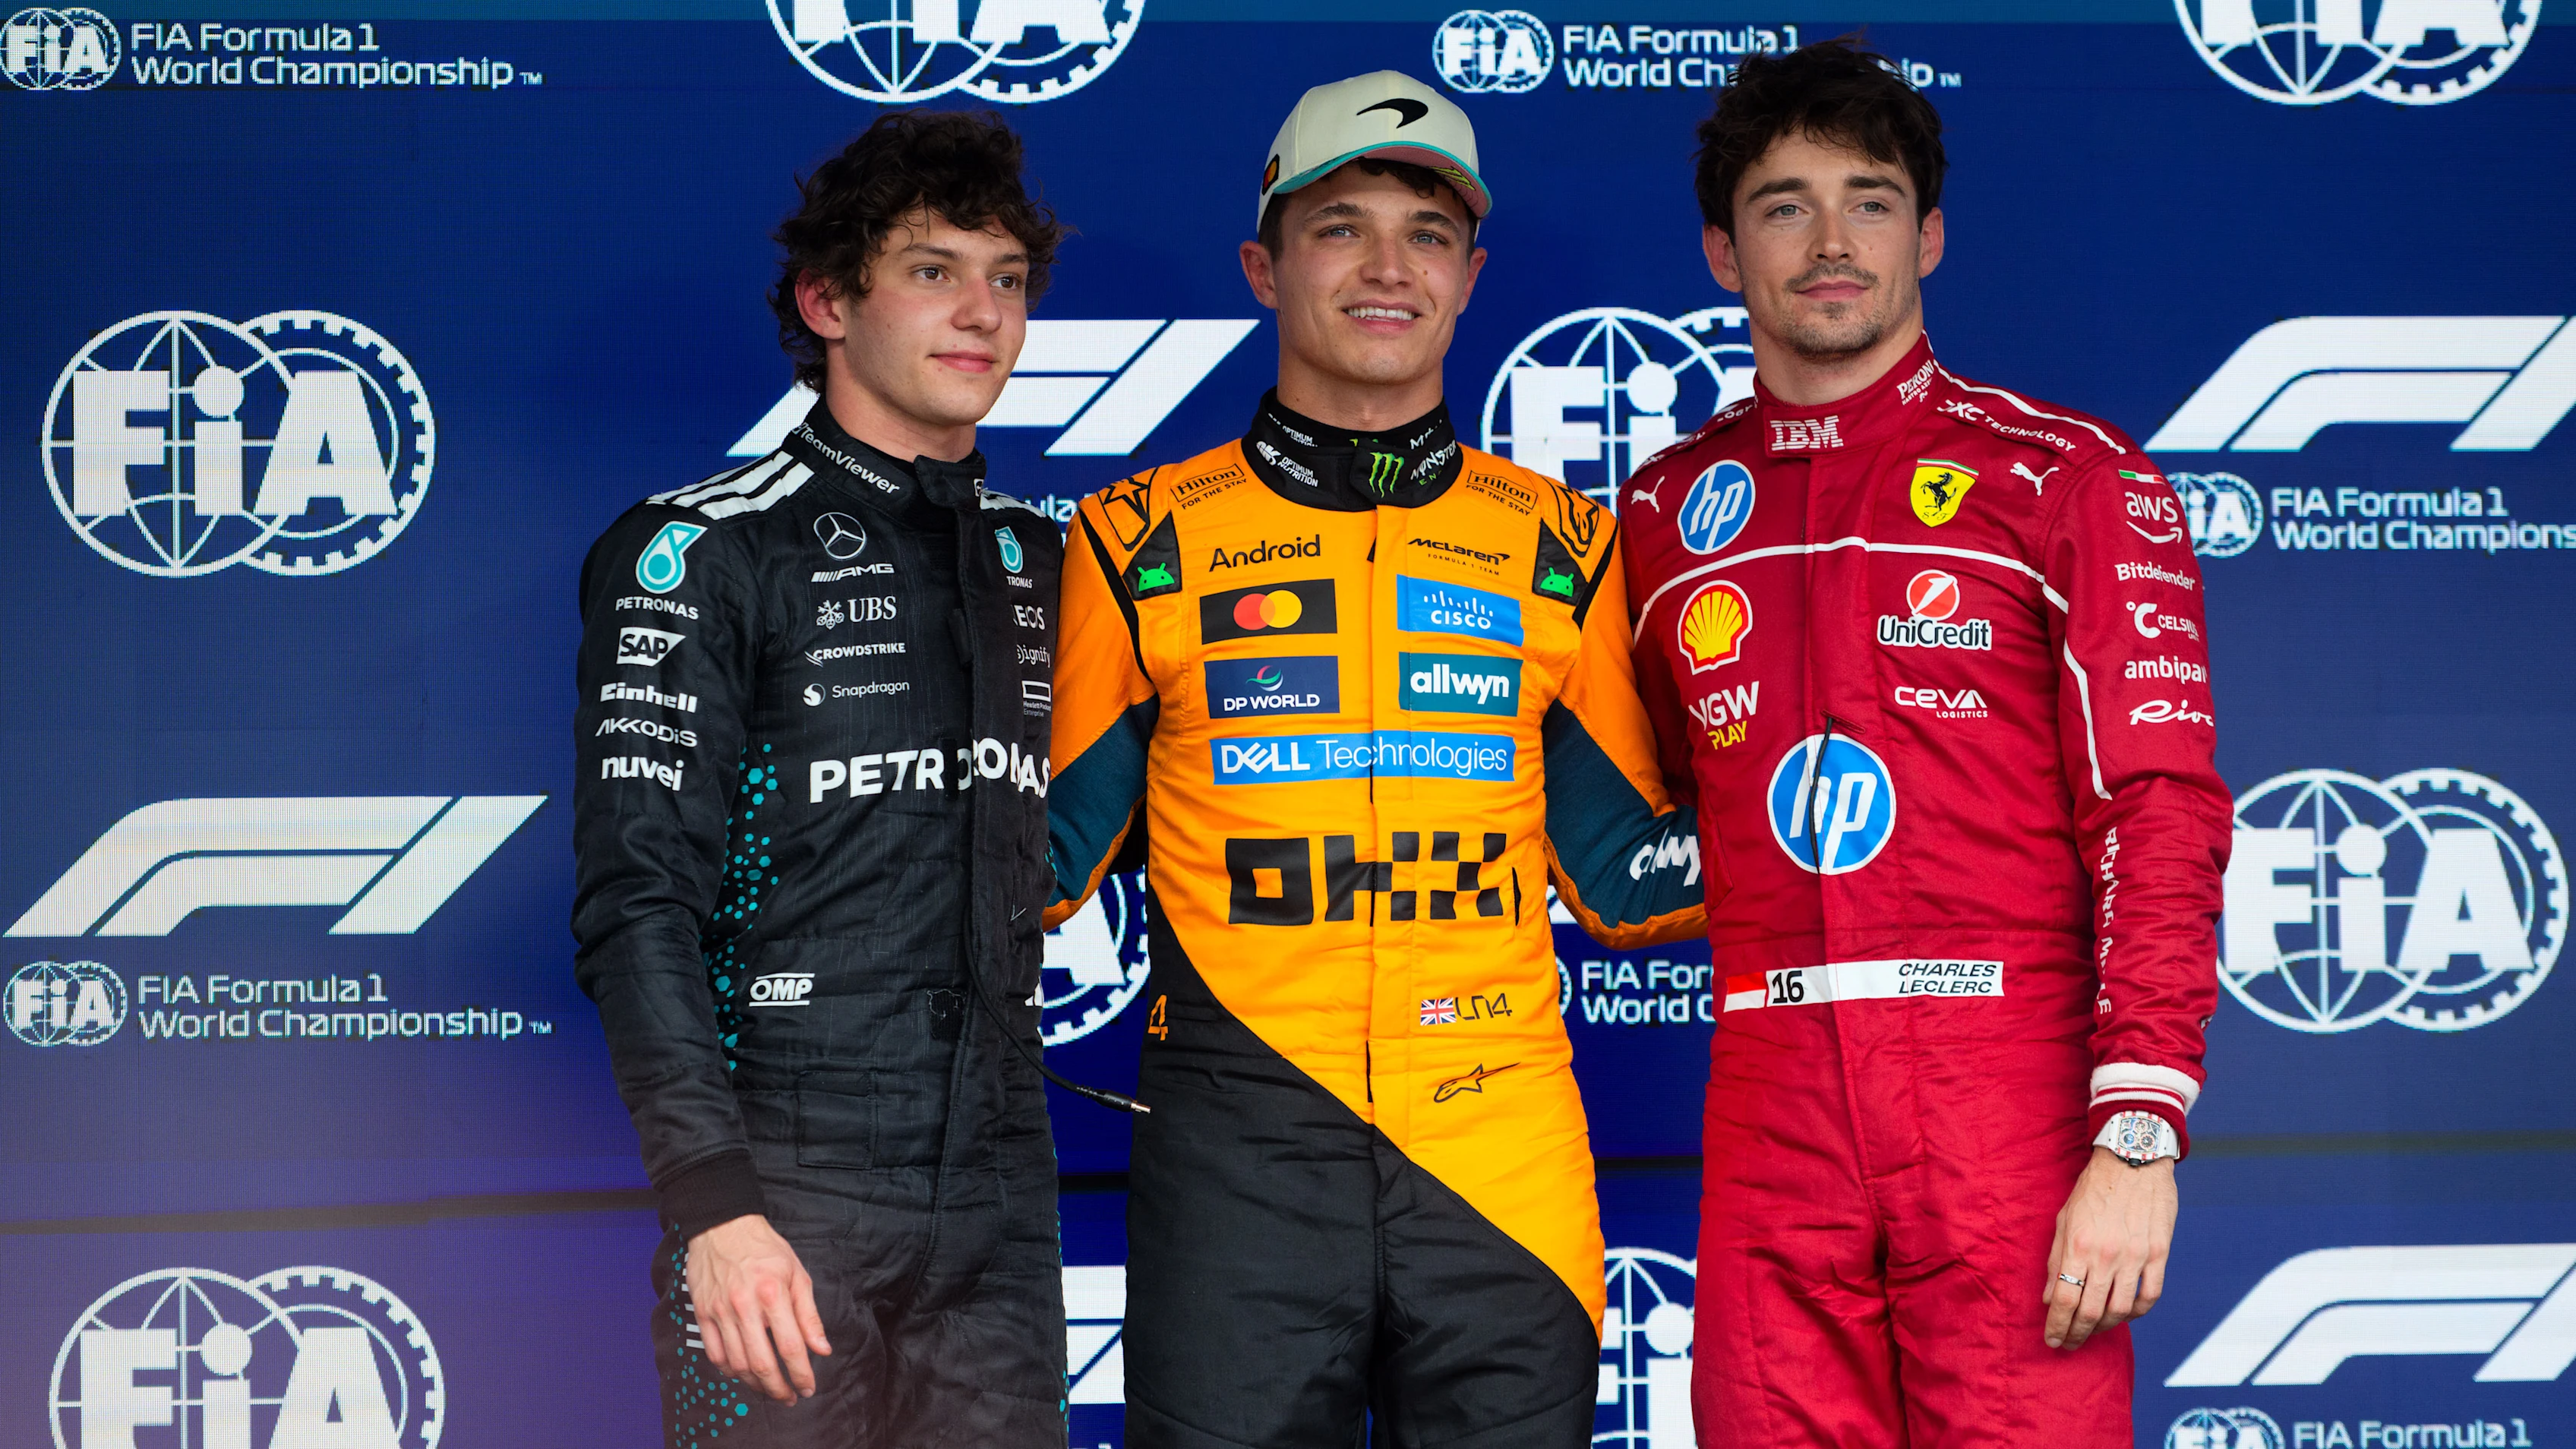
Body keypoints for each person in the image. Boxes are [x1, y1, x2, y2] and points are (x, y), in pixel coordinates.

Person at [1043, 71, 1709, 1449]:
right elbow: (1038, 858)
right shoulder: (1135, 537)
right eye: (1342, 226)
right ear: (1265, 265)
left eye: (1429, 231)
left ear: (1472, 276)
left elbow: (1627, 879)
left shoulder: (1565, 544)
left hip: (1501, 1151)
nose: (1389, 266)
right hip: (1240, 1155)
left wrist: (1864, 793)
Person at [1615, 39, 2231, 1446]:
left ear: (1930, 234)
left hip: (2002, 1102)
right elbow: (1631, 812)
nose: (1832, 242)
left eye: (1871, 199)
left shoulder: (2067, 477)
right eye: (1784, 205)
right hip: (1772, 1105)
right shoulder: (1656, 518)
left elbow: (2160, 809)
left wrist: (2138, 1134)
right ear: (1723, 251)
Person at [570, 110, 1073, 1448]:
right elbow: (638, 904)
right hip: (782, 1180)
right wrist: (714, 1207)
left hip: (1002, 1192)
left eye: (1007, 280)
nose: (981, 314)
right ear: (826, 301)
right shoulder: (700, 549)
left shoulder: (1051, 562)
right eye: (931, 270)